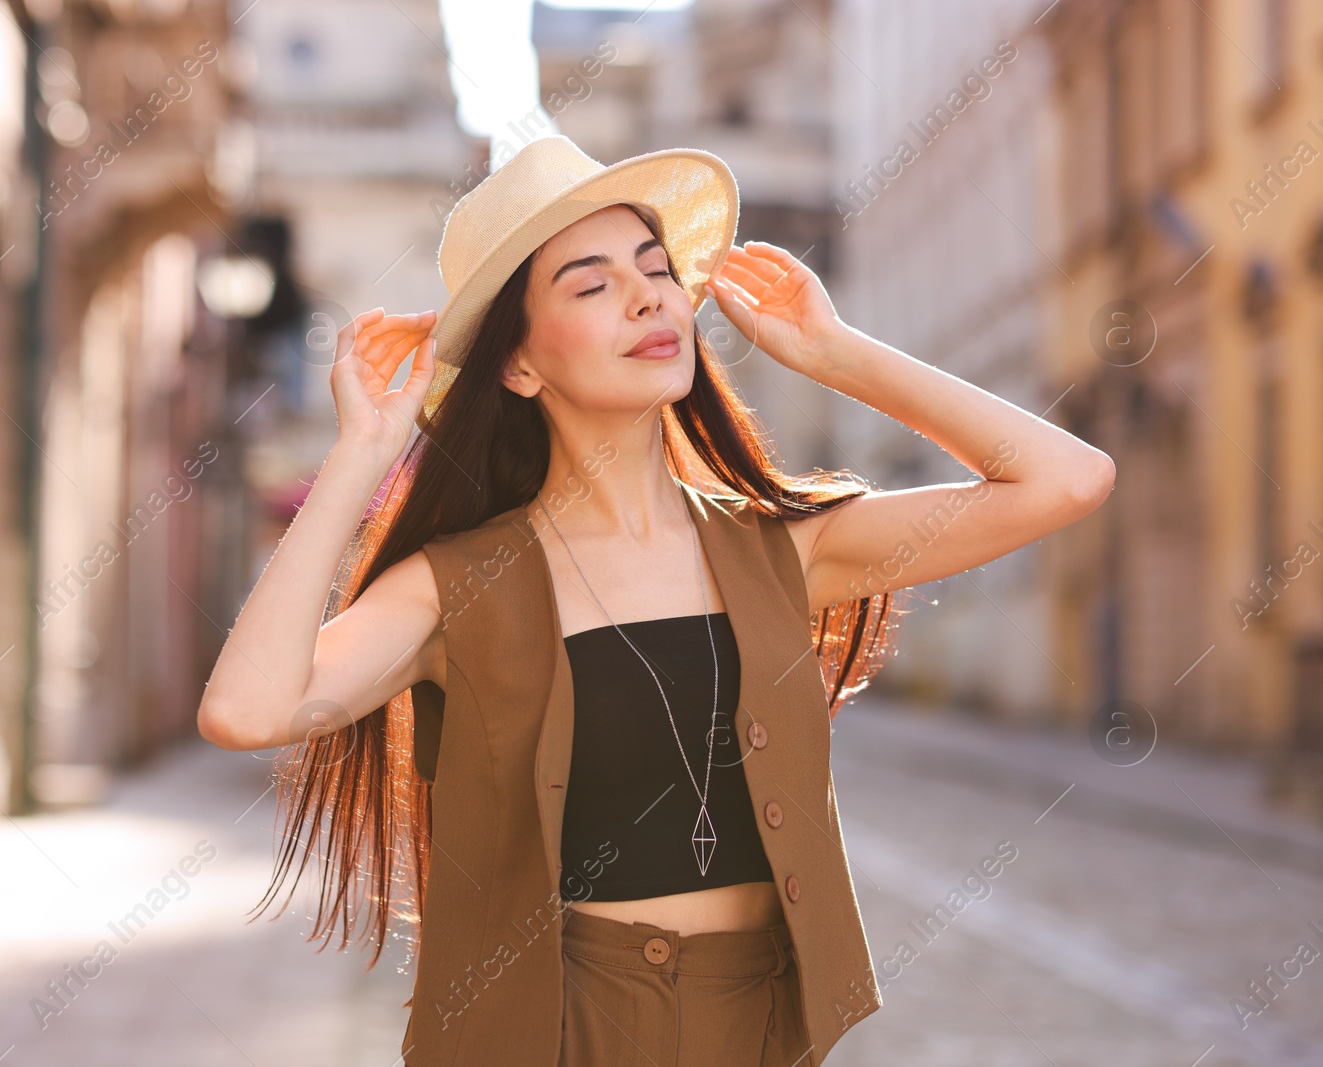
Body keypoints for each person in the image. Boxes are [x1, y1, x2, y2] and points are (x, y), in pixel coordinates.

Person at [196, 135, 1114, 1066]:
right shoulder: (457, 586)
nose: (646, 297)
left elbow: (1066, 480)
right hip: (564, 1024)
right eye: (591, 286)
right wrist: (361, 454)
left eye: (657, 270)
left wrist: (837, 355)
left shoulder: (782, 548)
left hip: (759, 1023)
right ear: (519, 364)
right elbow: (247, 709)